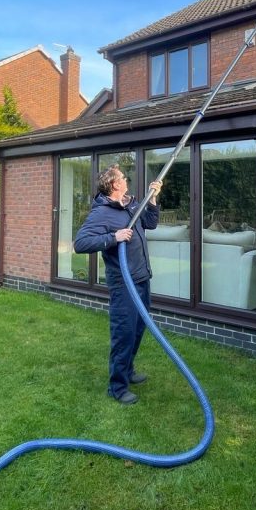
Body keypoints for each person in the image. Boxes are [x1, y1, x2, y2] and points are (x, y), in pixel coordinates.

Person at [74, 165, 162, 405]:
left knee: (137, 329)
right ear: (114, 184)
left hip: (141, 278)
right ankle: (117, 387)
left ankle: (128, 370)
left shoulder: (131, 204)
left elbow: (151, 224)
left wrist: (152, 199)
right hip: (123, 284)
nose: (126, 179)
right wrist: (114, 237)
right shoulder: (102, 213)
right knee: (123, 333)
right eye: (123, 177)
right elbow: (80, 243)